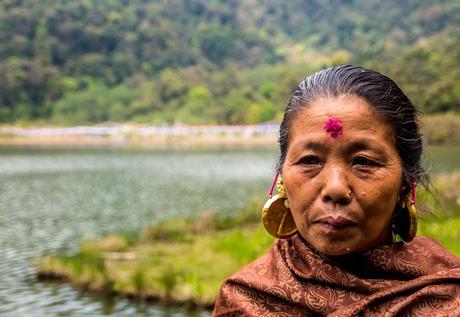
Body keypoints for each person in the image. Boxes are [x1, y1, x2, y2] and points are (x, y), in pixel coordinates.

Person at [212, 65, 460, 316]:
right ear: (281, 179)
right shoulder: (245, 302)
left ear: (406, 183)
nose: (336, 188)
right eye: (310, 161)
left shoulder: (449, 292)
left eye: (363, 161)